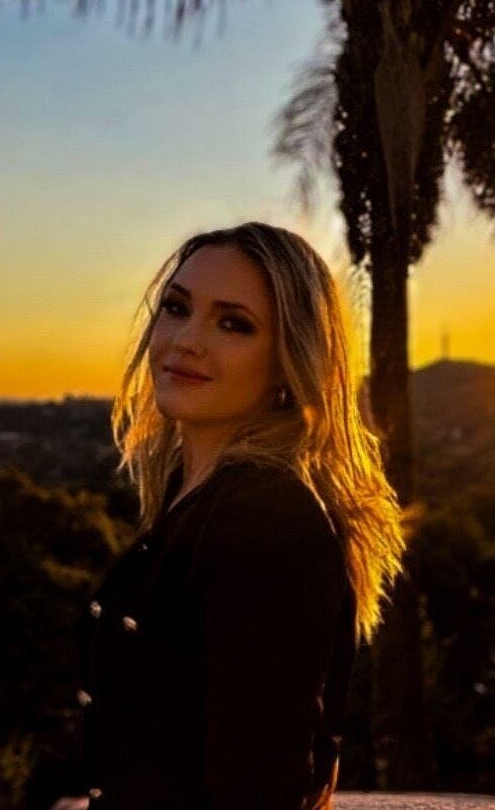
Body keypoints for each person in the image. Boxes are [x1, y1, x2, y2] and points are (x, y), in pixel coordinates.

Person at [47, 222, 408, 810]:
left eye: (233, 323)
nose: (187, 340)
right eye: (177, 307)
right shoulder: (190, 492)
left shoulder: (266, 519)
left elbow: (257, 788)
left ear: (289, 362)